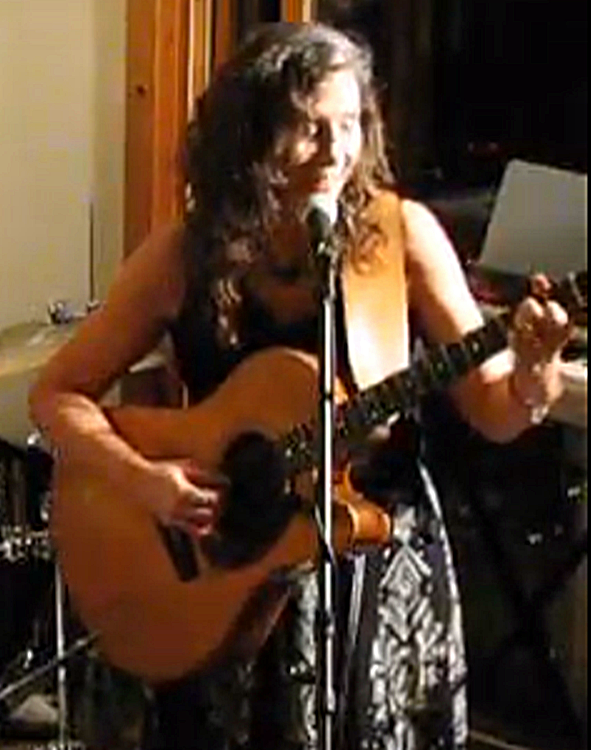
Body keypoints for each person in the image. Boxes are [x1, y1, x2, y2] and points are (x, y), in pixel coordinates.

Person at [29, 21, 571, 750]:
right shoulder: (187, 254)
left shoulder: (401, 239)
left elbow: (497, 413)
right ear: (251, 134)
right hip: (219, 583)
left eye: (348, 125)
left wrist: (534, 368)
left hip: (373, 573)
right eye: (309, 127)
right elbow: (57, 395)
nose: (334, 150)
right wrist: (144, 480)